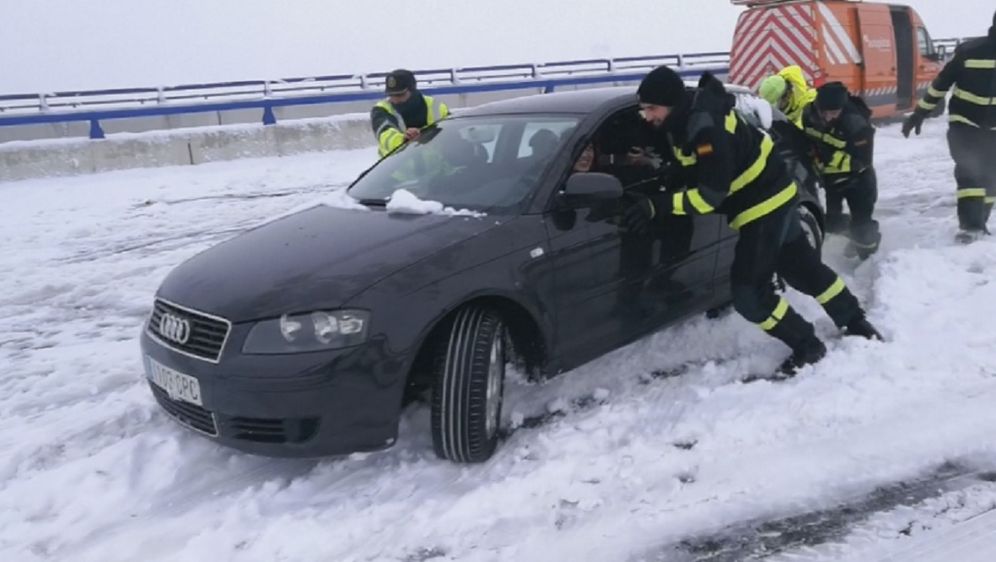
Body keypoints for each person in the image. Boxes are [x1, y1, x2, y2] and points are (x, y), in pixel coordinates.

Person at [625, 66, 881, 374]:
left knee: (749, 295)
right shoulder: (690, 117)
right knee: (802, 270)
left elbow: (709, 197)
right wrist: (664, 174)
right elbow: (700, 166)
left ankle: (807, 345)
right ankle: (855, 321)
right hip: (778, 194)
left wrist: (656, 206)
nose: (648, 116)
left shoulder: (705, 128)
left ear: (671, 102)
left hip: (762, 205)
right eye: (644, 110)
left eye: (652, 108)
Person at [902, 11, 996, 244]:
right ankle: (971, 227)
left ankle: (979, 221)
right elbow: (941, 84)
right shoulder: (969, 51)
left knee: (991, 177)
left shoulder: (969, 51)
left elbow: (940, 85)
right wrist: (919, 113)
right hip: (965, 124)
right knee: (969, 171)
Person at [802, 82, 880, 258]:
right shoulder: (809, 113)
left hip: (858, 180)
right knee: (831, 222)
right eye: (825, 113)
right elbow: (807, 141)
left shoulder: (856, 122)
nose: (828, 118)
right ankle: (854, 235)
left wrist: (827, 163)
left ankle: (869, 253)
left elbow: (862, 160)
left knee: (863, 232)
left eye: (834, 113)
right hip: (831, 181)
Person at [370, 69, 450, 158]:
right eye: (391, 95)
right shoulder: (381, 109)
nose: (395, 100)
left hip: (437, 170)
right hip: (397, 171)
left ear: (412, 91)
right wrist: (403, 139)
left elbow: (451, 136)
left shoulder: (437, 106)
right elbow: (385, 134)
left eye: (400, 95)